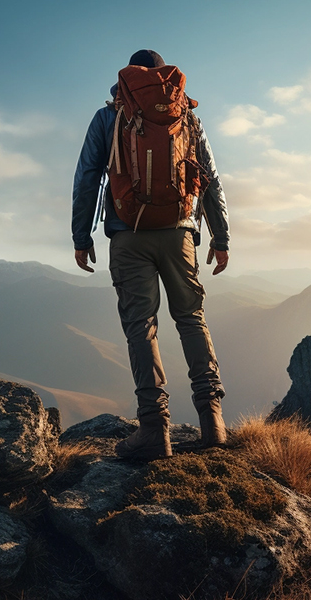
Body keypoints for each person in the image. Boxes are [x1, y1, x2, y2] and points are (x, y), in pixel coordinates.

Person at [70, 49, 230, 460]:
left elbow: (87, 175)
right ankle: (213, 422)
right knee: (192, 320)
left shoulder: (109, 117)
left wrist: (81, 235)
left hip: (128, 234)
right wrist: (220, 237)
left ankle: (154, 429)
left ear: (128, 78)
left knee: (142, 327)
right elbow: (209, 177)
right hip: (180, 234)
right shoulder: (187, 117)